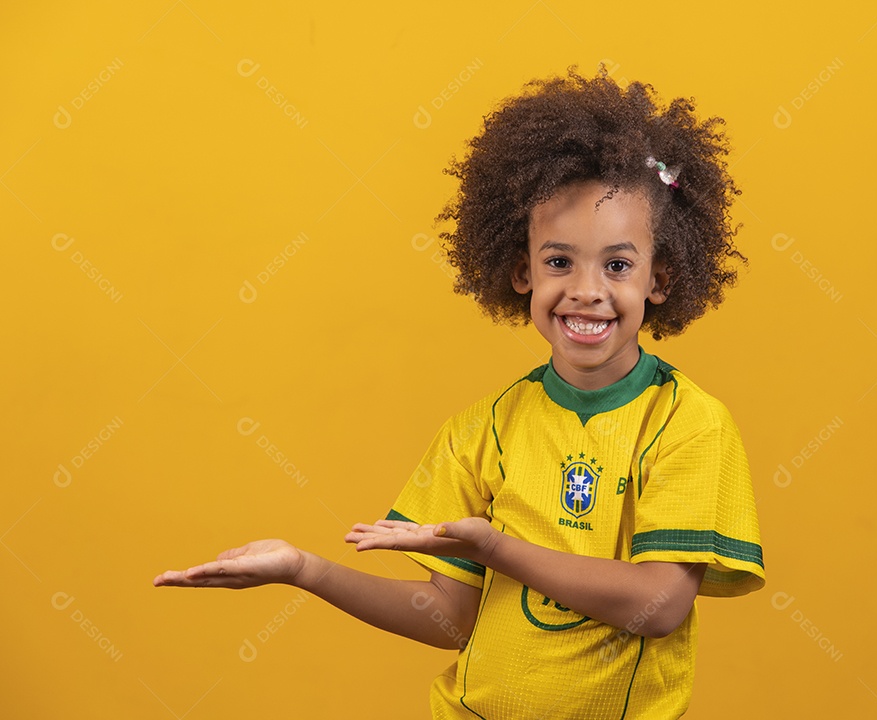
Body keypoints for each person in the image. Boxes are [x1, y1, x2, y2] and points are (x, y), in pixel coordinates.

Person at [154, 66, 765, 719]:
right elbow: (449, 618)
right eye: (559, 261)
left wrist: (495, 547)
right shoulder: (482, 430)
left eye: (617, 264)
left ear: (660, 280)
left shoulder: (689, 423)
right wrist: (304, 569)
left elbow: (659, 605)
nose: (586, 290)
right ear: (522, 272)